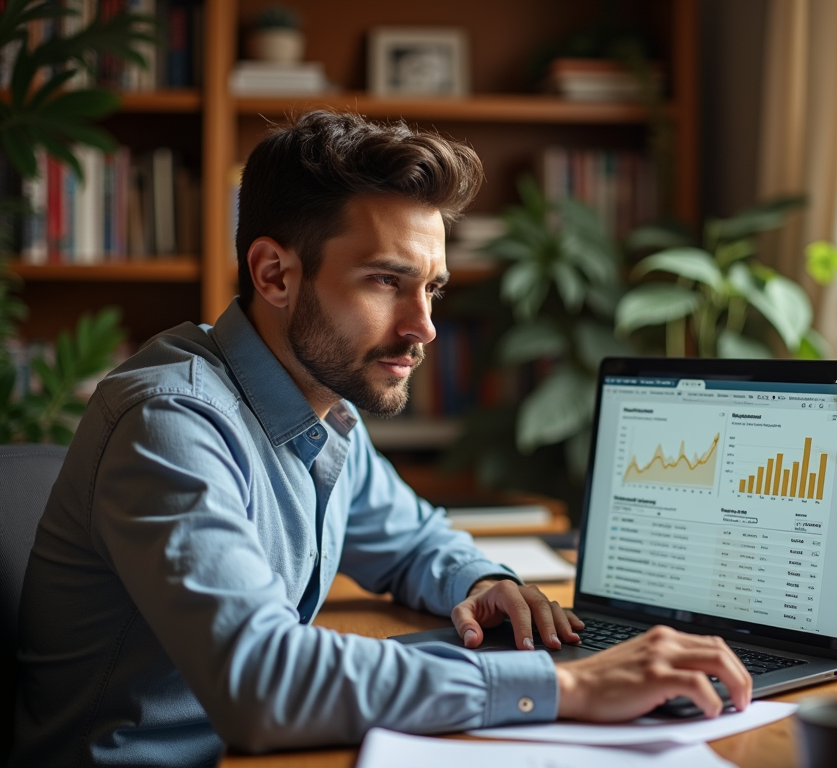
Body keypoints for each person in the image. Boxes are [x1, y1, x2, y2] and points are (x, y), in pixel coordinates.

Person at [10, 112, 752, 767]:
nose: (422, 327)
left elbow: (411, 543)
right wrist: (567, 685)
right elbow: (263, 682)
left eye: (431, 287)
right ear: (274, 273)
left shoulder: (322, 402)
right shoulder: (171, 425)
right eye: (384, 281)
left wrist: (484, 584)